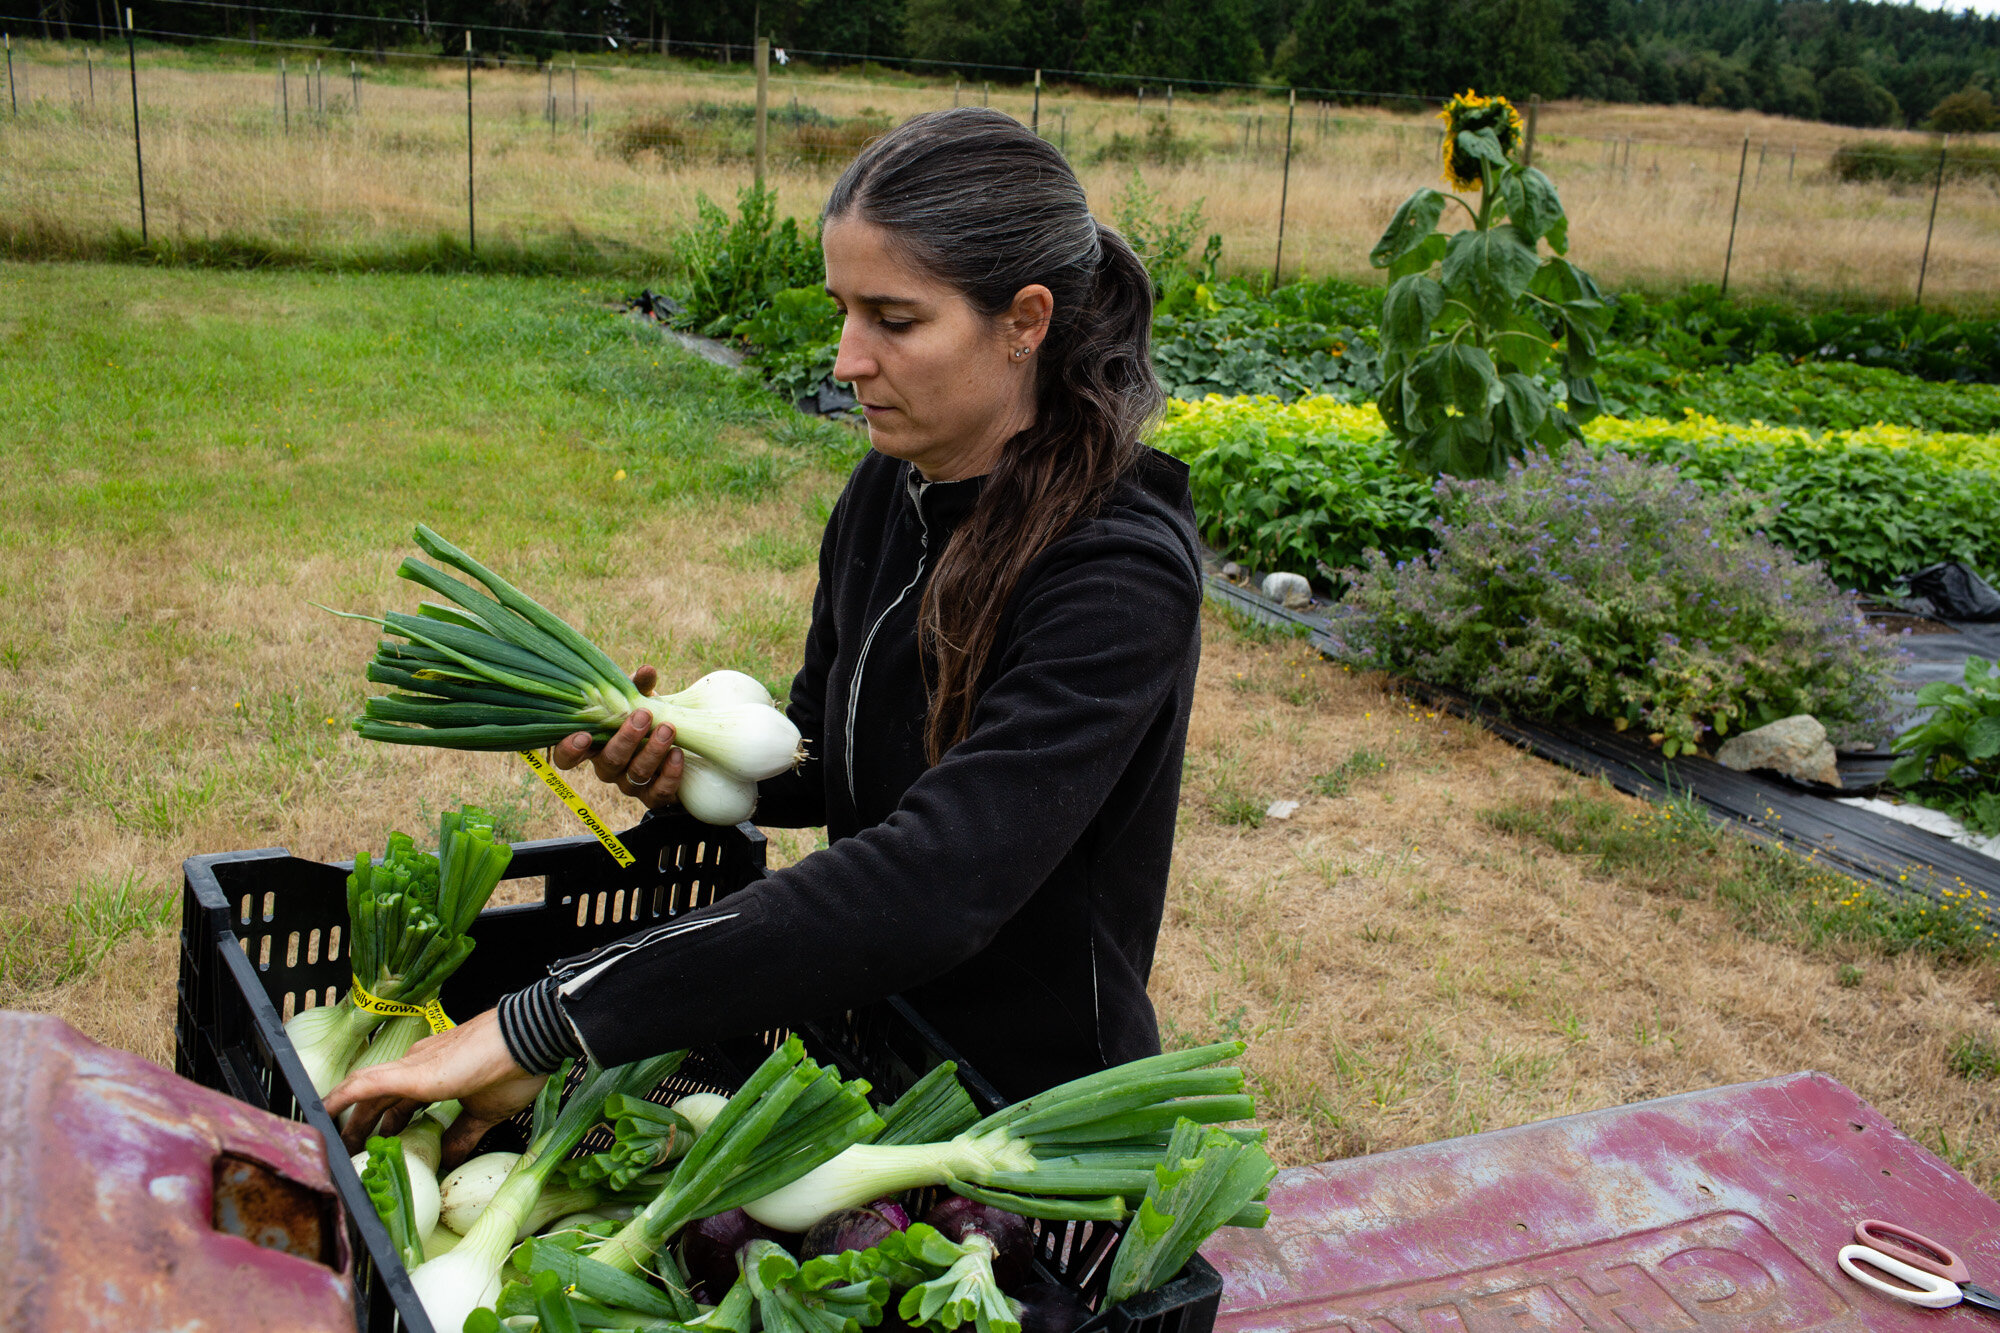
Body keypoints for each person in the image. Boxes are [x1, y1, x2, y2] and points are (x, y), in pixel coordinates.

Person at [327, 107, 1204, 1161]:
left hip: (1023, 1109)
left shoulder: (1115, 572)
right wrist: (685, 762)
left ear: (1022, 319)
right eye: (842, 310)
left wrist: (547, 1020)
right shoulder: (891, 489)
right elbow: (838, 761)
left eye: (894, 318)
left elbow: (938, 881)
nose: (846, 360)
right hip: (854, 1035)